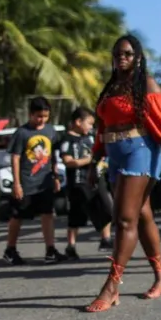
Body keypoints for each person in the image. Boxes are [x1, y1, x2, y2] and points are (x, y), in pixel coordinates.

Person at [85, 34, 161, 312]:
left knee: (124, 218)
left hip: (141, 151)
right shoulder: (112, 87)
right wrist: (95, 161)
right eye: (118, 54)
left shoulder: (147, 84)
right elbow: (102, 128)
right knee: (142, 215)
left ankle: (112, 286)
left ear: (138, 57)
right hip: (114, 154)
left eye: (127, 53)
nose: (122, 58)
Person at [2, 96, 67, 265]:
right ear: (30, 114)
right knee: (18, 216)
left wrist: (55, 176)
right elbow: (15, 158)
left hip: (44, 184)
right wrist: (17, 183)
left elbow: (53, 155)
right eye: (38, 116)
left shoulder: (51, 131)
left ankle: (50, 250)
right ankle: (10, 249)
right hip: (26, 183)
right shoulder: (22, 133)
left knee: (47, 214)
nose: (42, 120)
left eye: (45, 116)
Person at [59, 106, 113, 259]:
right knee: (76, 215)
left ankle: (106, 239)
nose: (91, 127)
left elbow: (99, 153)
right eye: (89, 123)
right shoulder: (67, 140)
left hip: (96, 179)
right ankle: (71, 247)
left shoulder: (90, 138)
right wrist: (88, 160)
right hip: (78, 183)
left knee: (106, 208)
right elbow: (68, 162)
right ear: (78, 122)